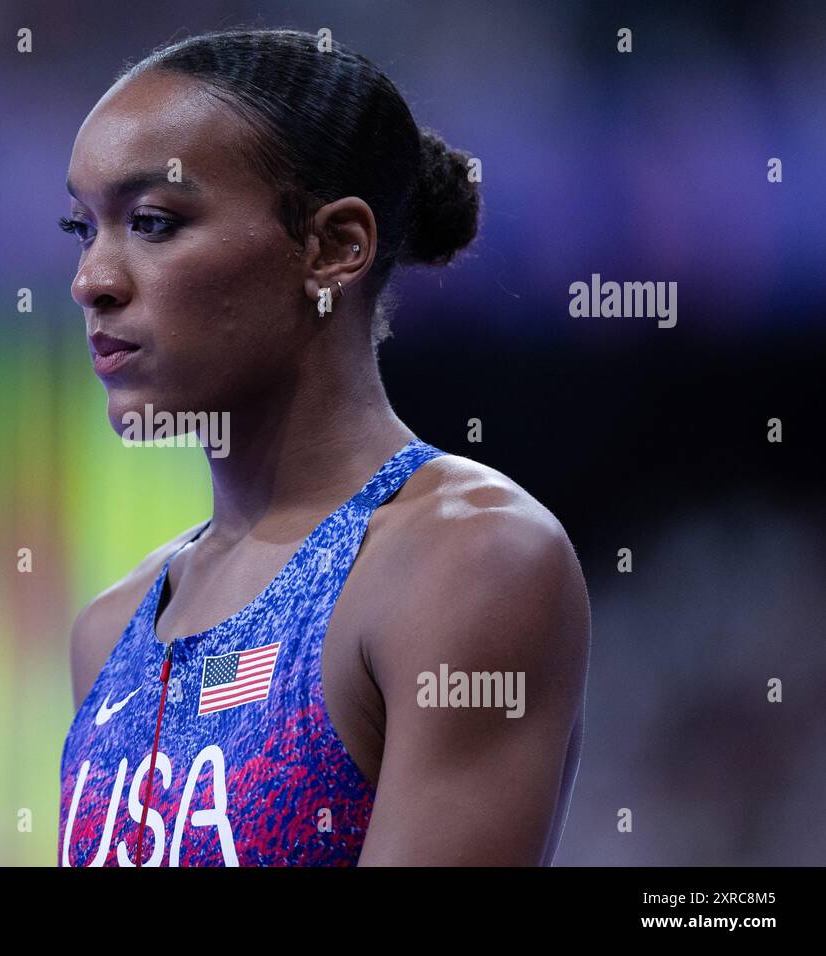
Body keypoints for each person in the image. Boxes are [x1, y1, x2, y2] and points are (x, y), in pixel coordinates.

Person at [57, 28, 590, 866]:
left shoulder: (469, 560)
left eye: (152, 222)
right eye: (82, 227)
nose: (93, 278)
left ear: (334, 247)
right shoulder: (112, 626)